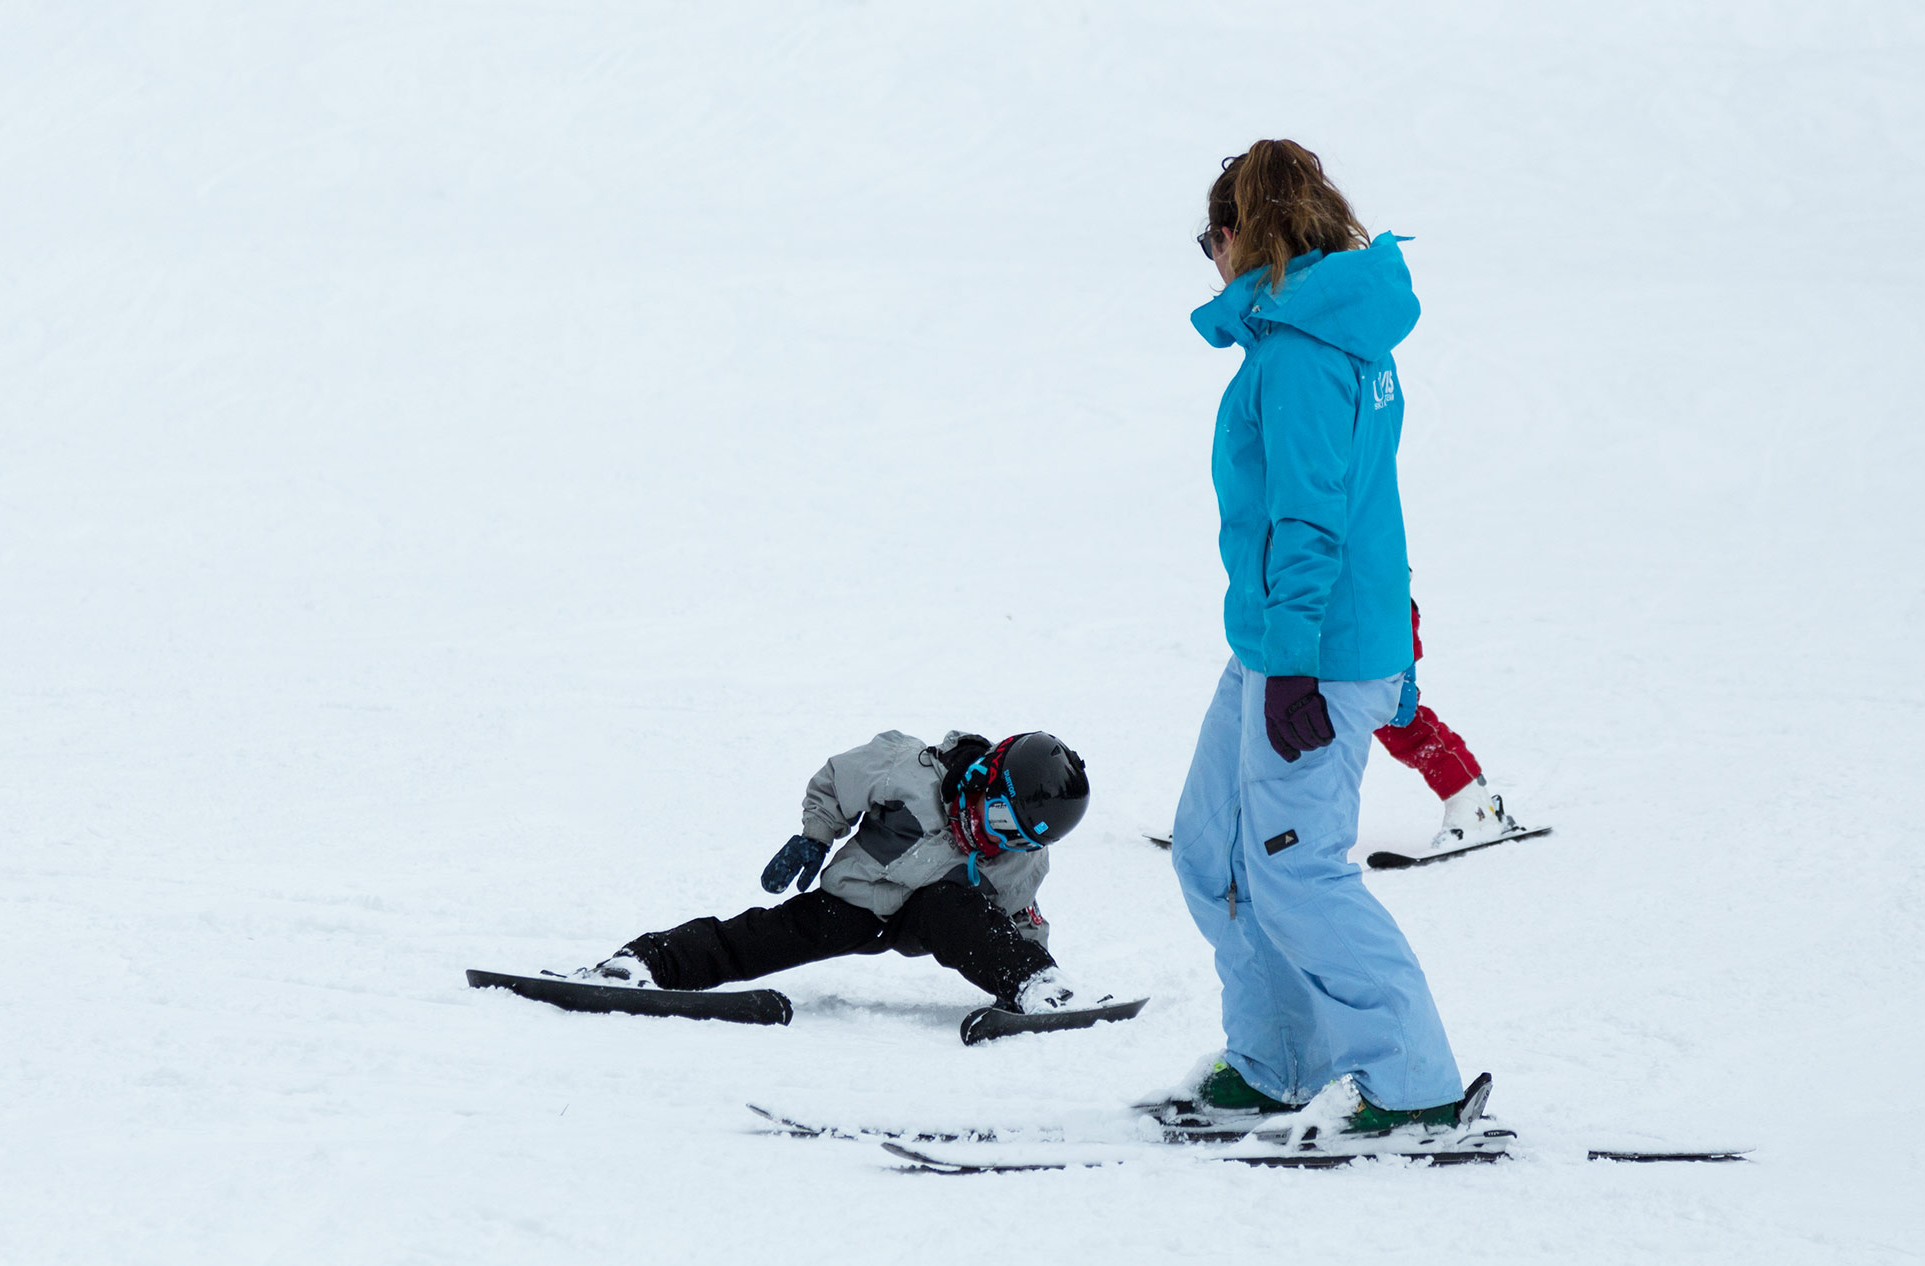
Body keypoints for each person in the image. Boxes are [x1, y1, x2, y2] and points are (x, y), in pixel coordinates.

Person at [1165, 140, 1474, 1132]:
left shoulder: (1302, 353)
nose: (1203, 258)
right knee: (1211, 852)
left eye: (1203, 238)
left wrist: (1301, 664)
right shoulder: (1327, 336)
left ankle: (1412, 1085)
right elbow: (1369, 506)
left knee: (1296, 868)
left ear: (1238, 235)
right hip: (1280, 642)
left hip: (1308, 653)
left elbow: (1311, 518)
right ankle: (1278, 1060)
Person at [577, 729, 1096, 1013]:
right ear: (988, 776)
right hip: (857, 902)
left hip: (929, 919)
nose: (998, 839)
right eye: (1001, 819)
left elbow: (1015, 918)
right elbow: (834, 783)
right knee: (768, 935)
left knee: (957, 910)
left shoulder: (1019, 858)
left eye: (1019, 839)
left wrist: (1034, 965)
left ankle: (1037, 988)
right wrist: (815, 835)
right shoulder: (907, 769)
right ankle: (646, 965)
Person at [1376, 600, 1528, 851]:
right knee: (1313, 731)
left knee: (1395, 718)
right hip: (1311, 617)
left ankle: (1472, 803)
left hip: (1373, 612)